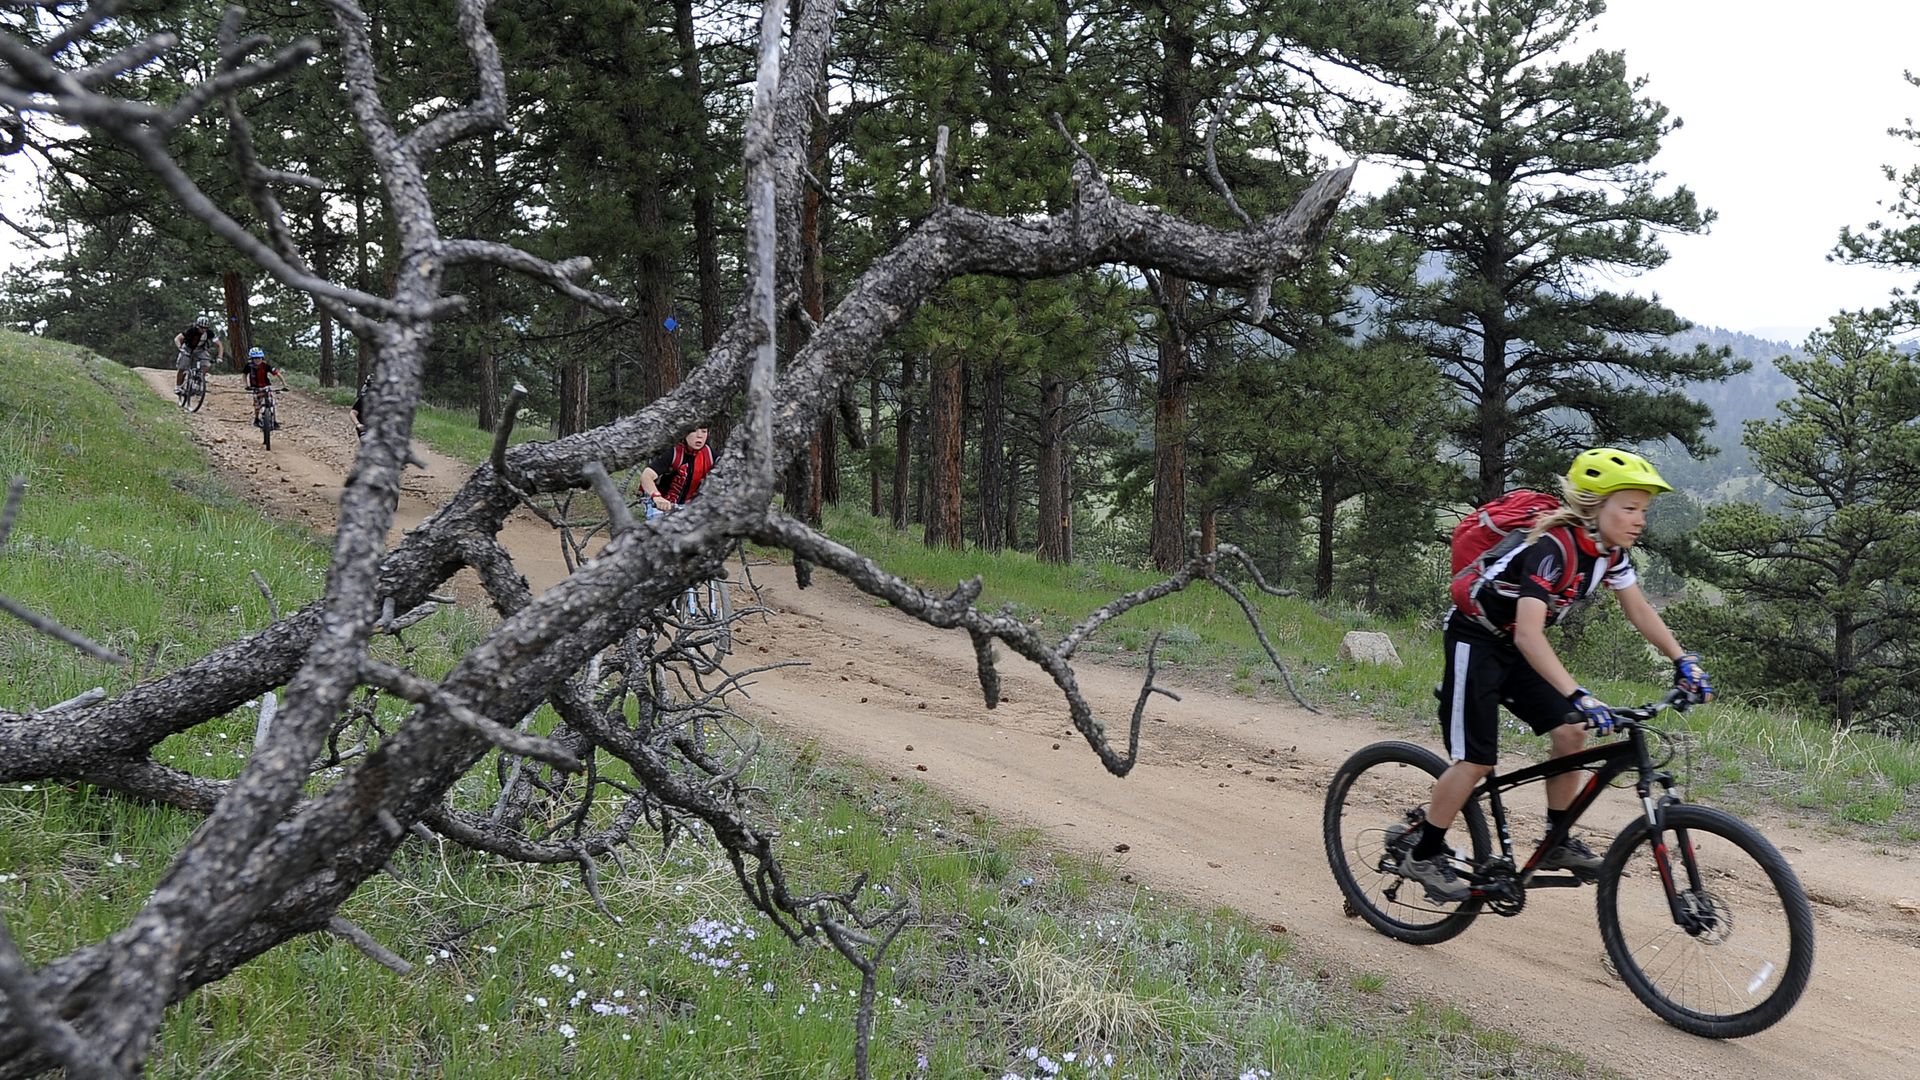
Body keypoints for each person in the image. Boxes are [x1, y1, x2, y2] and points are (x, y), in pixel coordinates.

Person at [1398, 448, 1716, 902]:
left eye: (1643, 510)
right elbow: (1530, 634)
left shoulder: (1610, 554)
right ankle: (1423, 851)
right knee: (1477, 760)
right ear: (1594, 507)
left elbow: (1639, 610)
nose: (1639, 519)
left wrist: (1683, 660)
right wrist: (1580, 693)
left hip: (1516, 647)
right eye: (1628, 508)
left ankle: (1555, 842)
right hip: (1478, 640)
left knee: (1570, 731)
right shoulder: (1552, 547)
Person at [638, 426, 715, 519]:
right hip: (661, 504)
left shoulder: (708, 453)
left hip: (691, 507)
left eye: (704, 431)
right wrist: (657, 497)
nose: (699, 436)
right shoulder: (673, 452)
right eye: (693, 431)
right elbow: (646, 475)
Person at [172, 316, 223, 389]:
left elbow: (219, 345)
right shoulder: (191, 331)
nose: (203, 329)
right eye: (201, 327)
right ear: (197, 326)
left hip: (200, 349)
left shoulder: (209, 333)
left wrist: (220, 357)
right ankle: (178, 386)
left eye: (205, 328)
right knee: (182, 367)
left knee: (206, 364)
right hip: (187, 348)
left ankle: (198, 381)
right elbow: (177, 339)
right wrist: (180, 348)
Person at [240, 347, 284, 427]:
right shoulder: (248, 366)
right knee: (257, 405)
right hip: (255, 387)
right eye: (255, 358)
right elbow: (244, 374)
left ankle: (274, 421)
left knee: (272, 403)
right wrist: (246, 385)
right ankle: (256, 419)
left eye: (259, 358)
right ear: (251, 359)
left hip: (266, 386)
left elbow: (277, 373)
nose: (257, 360)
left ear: (262, 358)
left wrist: (284, 384)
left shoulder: (266, 365)